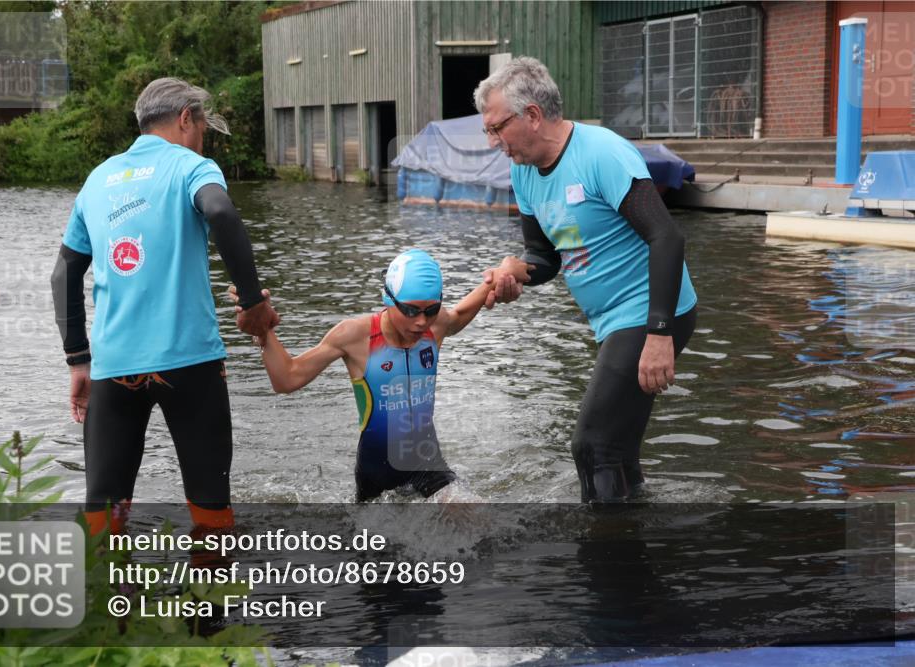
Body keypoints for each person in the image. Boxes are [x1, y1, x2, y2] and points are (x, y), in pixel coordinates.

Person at [50, 77, 279, 534]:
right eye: (202, 131)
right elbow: (221, 212)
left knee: (104, 516)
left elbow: (64, 273)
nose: (201, 142)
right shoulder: (191, 167)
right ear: (185, 119)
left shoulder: (98, 179)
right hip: (189, 362)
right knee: (211, 510)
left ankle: (110, 580)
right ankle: (209, 580)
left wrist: (77, 359)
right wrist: (253, 303)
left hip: (114, 368)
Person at [477, 57, 699, 503]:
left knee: (591, 446)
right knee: (617, 452)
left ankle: (603, 544)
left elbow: (666, 238)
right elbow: (545, 257)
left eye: (497, 128)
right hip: (612, 322)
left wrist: (659, 334)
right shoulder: (523, 170)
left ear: (532, 115)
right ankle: (635, 533)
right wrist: (516, 272)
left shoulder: (601, 154)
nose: (493, 142)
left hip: (652, 311)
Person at [242, 249, 527, 502]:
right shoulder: (355, 336)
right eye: (410, 310)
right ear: (388, 299)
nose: (421, 322)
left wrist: (503, 272)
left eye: (431, 310)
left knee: (473, 515)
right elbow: (287, 378)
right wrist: (263, 330)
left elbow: (460, 314)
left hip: (426, 462)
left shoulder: (436, 325)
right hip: (376, 473)